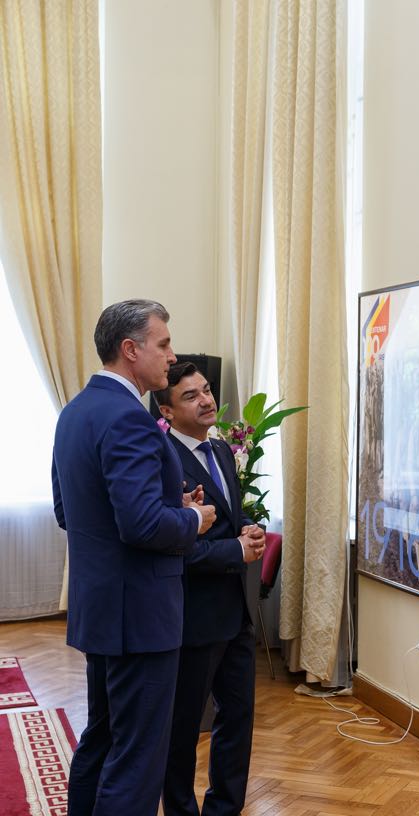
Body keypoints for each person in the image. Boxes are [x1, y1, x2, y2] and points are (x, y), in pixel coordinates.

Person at [52, 300, 216, 816]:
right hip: (140, 619)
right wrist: (193, 520)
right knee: (137, 760)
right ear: (131, 350)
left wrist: (169, 509)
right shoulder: (131, 420)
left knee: (100, 741)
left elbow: (69, 510)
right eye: (163, 344)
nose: (172, 356)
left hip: (102, 610)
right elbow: (141, 525)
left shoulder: (75, 412)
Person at [154, 362, 266, 816]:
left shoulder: (220, 450)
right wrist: (236, 552)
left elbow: (231, 514)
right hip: (192, 618)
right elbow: (171, 549)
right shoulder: (161, 459)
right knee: (182, 732)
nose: (206, 400)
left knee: (237, 719)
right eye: (190, 396)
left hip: (236, 612)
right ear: (166, 409)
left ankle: (224, 810)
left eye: (206, 390)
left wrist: (249, 530)